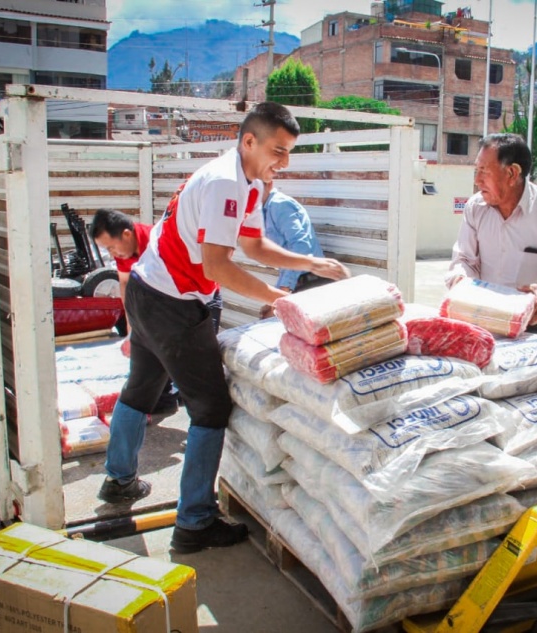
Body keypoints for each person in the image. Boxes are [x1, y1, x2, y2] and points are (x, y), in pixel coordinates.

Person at [98, 102, 350, 554]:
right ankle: (194, 522)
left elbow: (254, 246)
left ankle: (118, 481)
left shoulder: (248, 184)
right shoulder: (224, 184)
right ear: (249, 141)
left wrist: (310, 263)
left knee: (140, 388)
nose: (284, 162)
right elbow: (217, 267)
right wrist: (280, 299)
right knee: (211, 408)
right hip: (172, 304)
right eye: (277, 150)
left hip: (147, 290)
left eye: (289, 152)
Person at [448, 133, 537, 339]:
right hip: (485, 321)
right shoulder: (475, 207)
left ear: (512, 173)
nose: (477, 180)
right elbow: (465, 259)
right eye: (476, 170)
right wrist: (461, 280)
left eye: (484, 171)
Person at [90, 208, 179, 420]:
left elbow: (175, 288)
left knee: (187, 360)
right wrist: (131, 332)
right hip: (158, 303)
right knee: (152, 351)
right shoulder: (125, 252)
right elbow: (125, 284)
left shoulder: (158, 242)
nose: (112, 254)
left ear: (127, 234)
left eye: (112, 247)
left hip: (194, 300)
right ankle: (163, 398)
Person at [258, 181, 329, 318]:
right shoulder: (264, 209)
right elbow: (285, 260)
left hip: (312, 282)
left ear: (268, 185)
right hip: (298, 283)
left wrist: (283, 291)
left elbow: (300, 246)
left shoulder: (279, 205)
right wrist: (275, 296)